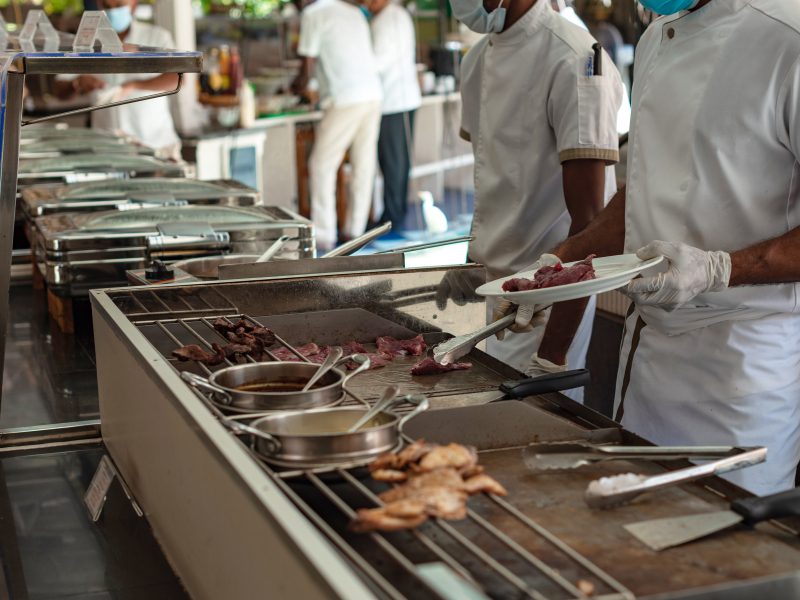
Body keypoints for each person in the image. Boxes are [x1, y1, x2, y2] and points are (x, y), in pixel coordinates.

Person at [510, 0, 800, 495]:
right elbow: (641, 188)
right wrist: (565, 259)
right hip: (648, 362)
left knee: (723, 556)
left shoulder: (787, 38)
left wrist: (717, 269)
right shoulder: (654, 39)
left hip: (741, 377)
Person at [438, 0, 623, 400]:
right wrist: (470, 270)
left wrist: (552, 356)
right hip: (485, 294)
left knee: (530, 433)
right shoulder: (476, 62)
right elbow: (490, 180)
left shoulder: (575, 59)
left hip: (544, 306)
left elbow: (592, 224)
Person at [292, 0, 383, 252]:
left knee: (321, 165)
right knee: (363, 163)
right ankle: (355, 230)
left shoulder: (312, 13)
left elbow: (307, 64)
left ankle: (324, 235)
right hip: (373, 93)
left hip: (345, 97)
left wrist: (294, 88)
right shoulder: (354, 12)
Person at [53, 0, 182, 159]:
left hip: (155, 145)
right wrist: (77, 83)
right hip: (106, 150)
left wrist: (134, 85)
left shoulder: (157, 36)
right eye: (107, 6)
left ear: (133, 5)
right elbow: (58, 89)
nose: (113, 11)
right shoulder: (86, 41)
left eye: (119, 6)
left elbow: (176, 78)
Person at [362, 0, 422, 231]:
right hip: (394, 100)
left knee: (394, 162)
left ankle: (392, 217)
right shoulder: (388, 16)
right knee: (393, 162)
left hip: (395, 101)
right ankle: (392, 213)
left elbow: (378, 62)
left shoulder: (390, 19)